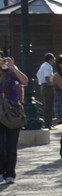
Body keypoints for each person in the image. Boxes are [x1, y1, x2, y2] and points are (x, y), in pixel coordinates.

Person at [0, 56, 24, 184]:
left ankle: (10, 173)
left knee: (11, 146)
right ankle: (1, 170)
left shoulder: (10, 73)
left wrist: (13, 68)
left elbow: (24, 81)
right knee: (1, 145)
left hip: (12, 113)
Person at [34, 54, 55, 131]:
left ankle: (49, 123)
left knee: (47, 105)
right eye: (53, 58)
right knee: (48, 106)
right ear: (50, 59)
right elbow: (47, 77)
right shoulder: (47, 66)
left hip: (43, 86)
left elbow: (38, 74)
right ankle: (48, 124)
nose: (54, 60)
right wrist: (51, 83)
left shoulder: (43, 65)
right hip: (47, 86)